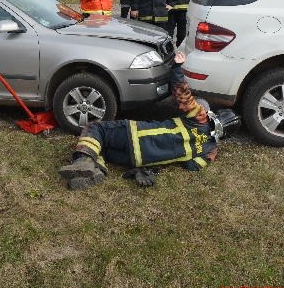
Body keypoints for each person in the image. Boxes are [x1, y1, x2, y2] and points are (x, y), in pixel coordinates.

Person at [58, 51, 240, 190]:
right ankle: (95, 171)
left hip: (135, 135)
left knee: (96, 129)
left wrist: (177, 67)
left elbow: (182, 95)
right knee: (102, 148)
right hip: (139, 159)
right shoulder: (210, 152)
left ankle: (83, 160)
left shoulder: (200, 118)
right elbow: (192, 166)